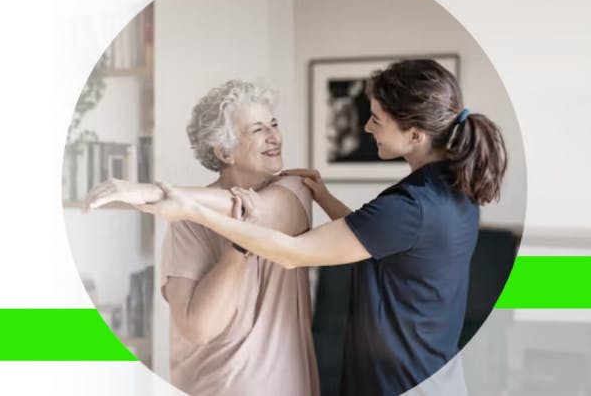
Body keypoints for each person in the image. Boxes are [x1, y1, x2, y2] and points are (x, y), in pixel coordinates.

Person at [128, 59, 508, 396]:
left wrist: (191, 208)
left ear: (414, 135)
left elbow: (293, 253)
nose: (366, 125)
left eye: (376, 118)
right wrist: (323, 197)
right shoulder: (452, 189)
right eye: (258, 129)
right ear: (223, 151)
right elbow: (375, 236)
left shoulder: (408, 206)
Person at [85, 80, 319, 396]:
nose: (274, 137)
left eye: (273, 124)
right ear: (224, 151)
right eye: (257, 130)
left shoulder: (296, 190)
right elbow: (200, 328)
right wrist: (236, 249)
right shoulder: (187, 221)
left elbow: (258, 210)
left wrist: (155, 192)